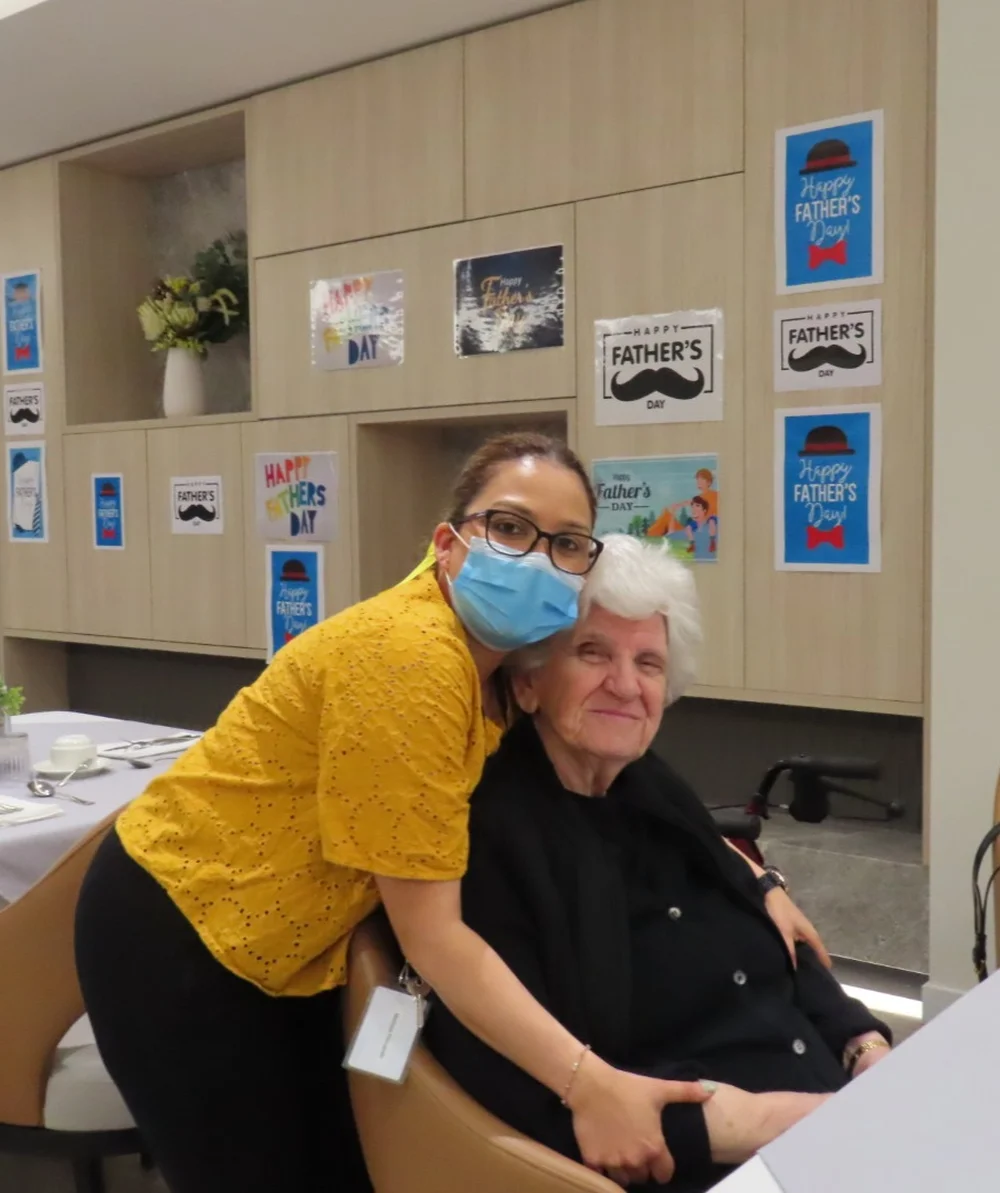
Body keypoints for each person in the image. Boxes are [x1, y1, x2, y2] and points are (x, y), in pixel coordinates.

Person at [74, 434, 824, 1193]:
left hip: (304, 932)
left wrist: (757, 878)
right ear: (449, 541)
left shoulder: (502, 658)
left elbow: (654, 799)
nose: (532, 557)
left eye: (565, 543)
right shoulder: (413, 662)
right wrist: (588, 1082)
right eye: (508, 527)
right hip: (183, 926)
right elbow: (435, 937)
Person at [426, 534, 891, 1192]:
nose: (625, 683)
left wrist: (863, 1045)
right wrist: (778, 1121)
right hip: (730, 1163)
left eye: (648, 662)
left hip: (840, 1122)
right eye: (592, 652)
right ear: (528, 680)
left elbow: (775, 936)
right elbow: (524, 1097)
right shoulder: (495, 837)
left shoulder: (651, 784)